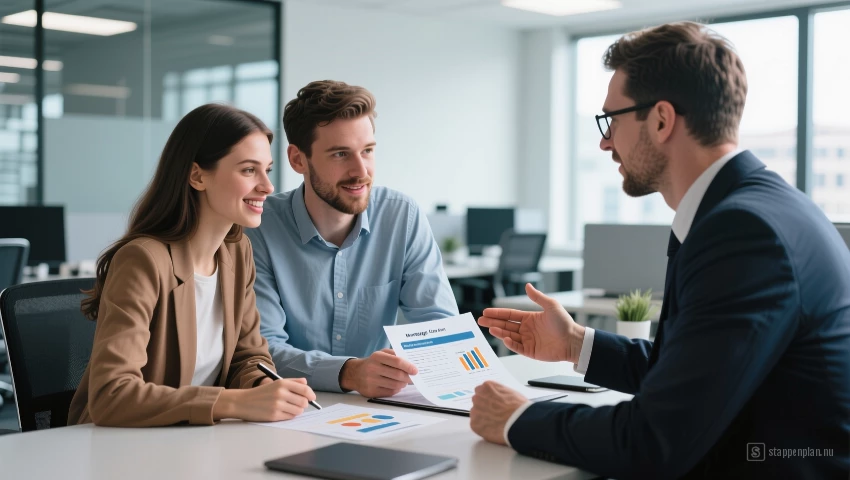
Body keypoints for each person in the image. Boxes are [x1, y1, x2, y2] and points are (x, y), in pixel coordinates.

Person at [470, 22, 850, 478]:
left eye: (611, 119)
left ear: (662, 119)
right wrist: (576, 344)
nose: (605, 141)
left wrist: (517, 418)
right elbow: (696, 374)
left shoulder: (744, 233)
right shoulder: (756, 208)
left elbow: (655, 440)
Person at [69, 104, 317, 427]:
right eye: (248, 170)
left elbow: (249, 356)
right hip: (116, 447)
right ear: (198, 176)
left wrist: (266, 388)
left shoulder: (237, 252)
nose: (267, 187)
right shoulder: (143, 260)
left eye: (267, 170)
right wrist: (235, 402)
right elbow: (111, 395)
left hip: (186, 441)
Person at [245, 80, 458, 397]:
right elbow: (261, 350)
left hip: (381, 407)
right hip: (292, 408)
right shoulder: (259, 227)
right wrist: (348, 373)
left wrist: (411, 366)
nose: (361, 171)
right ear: (298, 160)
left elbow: (441, 329)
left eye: (368, 151)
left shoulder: (401, 216)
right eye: (340, 154)